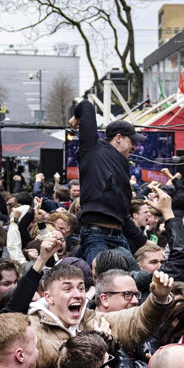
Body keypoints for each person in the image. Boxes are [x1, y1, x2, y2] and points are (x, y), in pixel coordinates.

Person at [28, 265, 173, 368]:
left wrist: (158, 300)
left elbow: (136, 322)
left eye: (81, 288)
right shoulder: (30, 330)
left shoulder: (93, 319)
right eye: (67, 289)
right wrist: (98, 348)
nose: (78, 294)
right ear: (49, 297)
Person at [69, 99, 143, 262]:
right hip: (97, 237)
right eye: (132, 141)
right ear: (118, 138)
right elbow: (87, 105)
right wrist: (76, 117)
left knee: (138, 280)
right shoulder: (93, 150)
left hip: (119, 238)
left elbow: (123, 216)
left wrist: (145, 245)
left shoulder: (122, 165)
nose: (135, 147)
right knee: (101, 283)